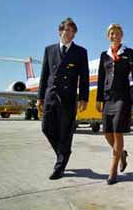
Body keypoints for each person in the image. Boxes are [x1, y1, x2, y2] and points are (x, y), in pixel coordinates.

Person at [37, 18, 89, 180]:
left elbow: (85, 77)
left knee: (66, 132)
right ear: (60, 32)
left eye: (72, 31)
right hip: (51, 95)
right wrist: (40, 97)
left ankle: (60, 166)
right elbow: (44, 75)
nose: (69, 34)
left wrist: (84, 98)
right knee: (46, 128)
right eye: (67, 30)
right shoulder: (49, 50)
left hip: (68, 97)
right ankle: (63, 152)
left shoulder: (80, 52)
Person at [96, 24, 133, 185]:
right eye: (111, 33)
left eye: (117, 33)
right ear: (108, 36)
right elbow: (101, 79)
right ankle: (122, 154)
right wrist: (99, 99)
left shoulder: (130, 53)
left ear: (121, 35)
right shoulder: (104, 55)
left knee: (118, 132)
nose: (114, 35)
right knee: (107, 133)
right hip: (108, 97)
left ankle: (113, 169)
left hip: (123, 97)